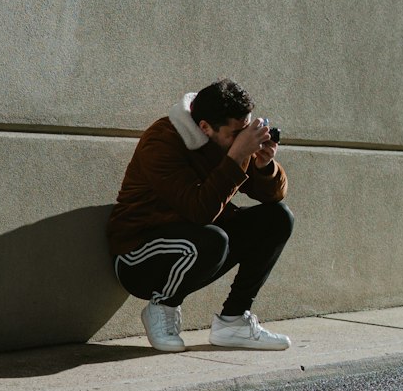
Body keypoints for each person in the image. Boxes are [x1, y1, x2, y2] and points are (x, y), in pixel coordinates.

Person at [107, 79, 294, 352]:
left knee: (277, 218)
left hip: (195, 240)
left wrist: (264, 166)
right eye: (235, 134)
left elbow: (273, 196)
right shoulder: (162, 141)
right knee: (212, 239)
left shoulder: (223, 140)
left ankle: (233, 321)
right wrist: (238, 155)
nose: (242, 139)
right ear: (205, 127)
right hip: (137, 255)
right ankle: (163, 307)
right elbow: (198, 211)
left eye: (246, 130)